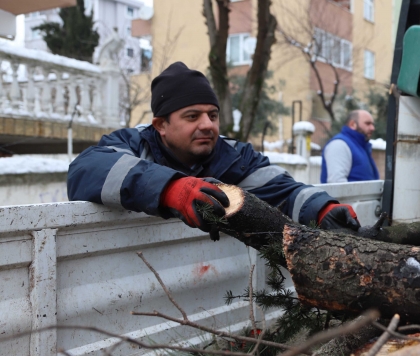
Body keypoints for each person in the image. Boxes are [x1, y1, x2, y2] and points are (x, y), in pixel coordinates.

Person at [67, 62, 360, 238]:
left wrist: (323, 209)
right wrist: (172, 190)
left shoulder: (234, 157)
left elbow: (283, 192)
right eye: (192, 116)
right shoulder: (131, 146)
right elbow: (84, 170)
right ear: (161, 125)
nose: (208, 125)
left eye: (213, 115)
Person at [320, 110, 379, 183]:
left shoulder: (361, 147)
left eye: (373, 124)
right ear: (352, 124)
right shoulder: (339, 144)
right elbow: (336, 183)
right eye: (367, 123)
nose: (372, 128)